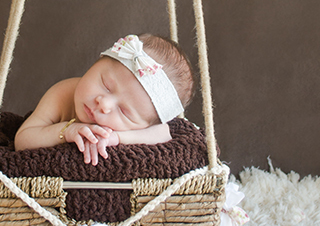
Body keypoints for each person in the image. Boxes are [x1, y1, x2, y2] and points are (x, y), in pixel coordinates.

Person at [14, 34, 195, 165]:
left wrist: (117, 137)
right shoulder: (63, 93)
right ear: (96, 63)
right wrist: (66, 131)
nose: (104, 104)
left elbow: (164, 133)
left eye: (125, 112)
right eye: (106, 85)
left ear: (143, 124)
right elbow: (23, 140)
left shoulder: (144, 127)